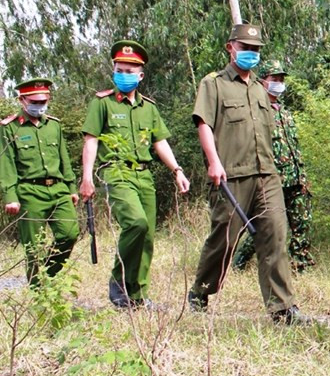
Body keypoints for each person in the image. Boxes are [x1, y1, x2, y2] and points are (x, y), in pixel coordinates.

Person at [187, 24, 306, 325]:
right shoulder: (213, 84)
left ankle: (282, 308)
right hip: (231, 176)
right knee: (224, 239)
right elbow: (204, 124)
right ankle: (201, 290)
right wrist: (213, 162)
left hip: (267, 175)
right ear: (230, 47)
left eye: (255, 50)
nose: (250, 54)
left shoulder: (259, 89)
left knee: (275, 236)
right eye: (245, 48)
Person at [80, 41, 191, 308]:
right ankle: (118, 283)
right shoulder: (103, 103)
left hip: (144, 175)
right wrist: (87, 177)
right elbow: (91, 140)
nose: (124, 75)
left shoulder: (148, 108)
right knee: (136, 224)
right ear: (113, 70)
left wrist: (177, 170)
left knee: (148, 235)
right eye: (120, 70)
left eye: (130, 71)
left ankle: (137, 296)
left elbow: (159, 142)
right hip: (116, 172)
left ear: (141, 75)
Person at [232, 59, 315, 272]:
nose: (278, 83)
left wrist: (303, 177)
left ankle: (301, 266)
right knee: (265, 226)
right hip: (273, 180)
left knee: (302, 223)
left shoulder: (285, 113)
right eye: (274, 79)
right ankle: (239, 263)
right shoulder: (258, 110)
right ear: (262, 81)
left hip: (295, 179)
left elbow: (293, 148)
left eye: (281, 79)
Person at [0, 78, 79, 287]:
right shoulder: (9, 128)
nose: (39, 105)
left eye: (43, 101)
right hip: (29, 191)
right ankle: (38, 292)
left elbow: (64, 159)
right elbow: (6, 164)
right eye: (34, 102)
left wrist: (72, 188)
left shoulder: (54, 125)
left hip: (59, 189)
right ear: (22, 100)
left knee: (69, 234)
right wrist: (11, 197)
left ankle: (47, 275)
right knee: (33, 247)